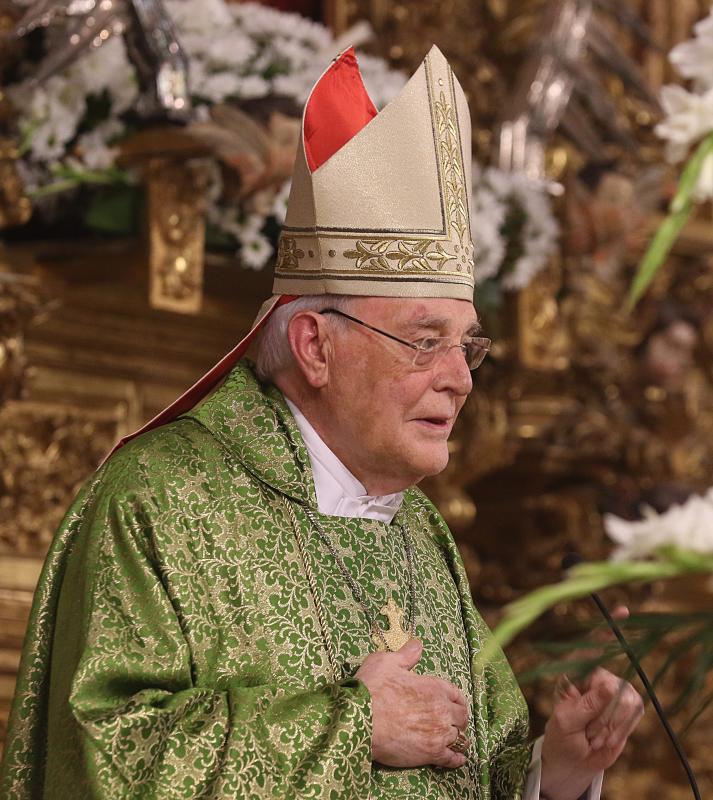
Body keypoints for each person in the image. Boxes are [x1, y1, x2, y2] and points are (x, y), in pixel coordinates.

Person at [0, 46, 642, 800]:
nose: (461, 379)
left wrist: (556, 773)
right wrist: (348, 728)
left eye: (467, 346)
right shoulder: (161, 500)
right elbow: (104, 758)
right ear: (314, 347)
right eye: (424, 341)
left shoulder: (419, 534)